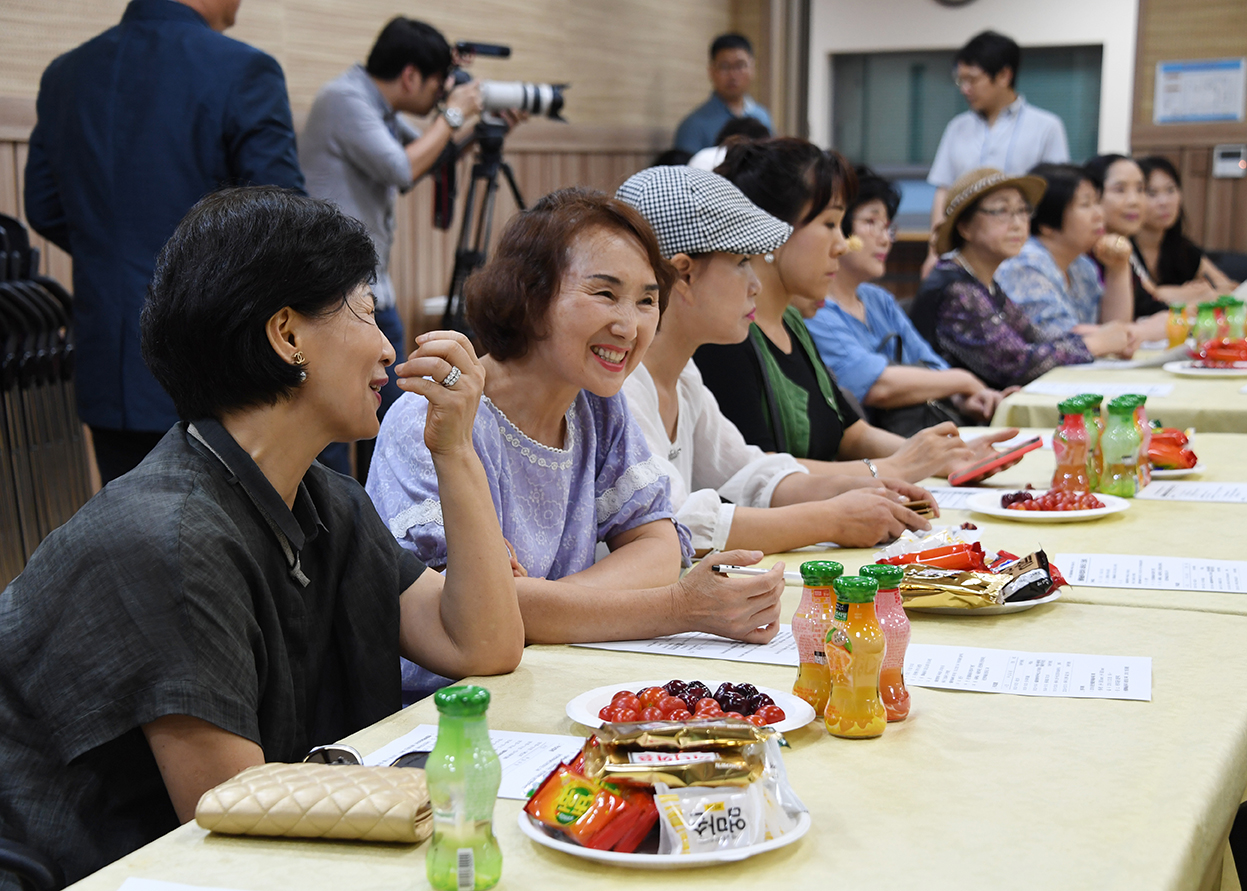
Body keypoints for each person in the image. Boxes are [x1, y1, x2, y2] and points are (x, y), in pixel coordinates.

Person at [0, 188, 523, 886]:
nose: (387, 345)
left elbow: (480, 644)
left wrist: (455, 450)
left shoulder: (323, 498)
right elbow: (235, 818)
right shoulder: (167, 538)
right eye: (365, 311)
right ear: (287, 335)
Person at [367, 187, 786, 646]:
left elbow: (658, 546)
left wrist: (541, 605)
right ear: (529, 296)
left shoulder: (598, 406)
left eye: (647, 301)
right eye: (605, 293)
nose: (629, 327)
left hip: (555, 672)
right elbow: (468, 616)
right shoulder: (433, 418)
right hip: (448, 706)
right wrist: (678, 608)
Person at [23, 0, 304, 484]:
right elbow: (282, 220)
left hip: (106, 358)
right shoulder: (243, 69)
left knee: (131, 530)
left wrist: (113, 255)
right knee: (222, 536)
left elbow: (45, 207)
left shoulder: (66, 74)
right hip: (215, 357)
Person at [616, 165, 936, 556]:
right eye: (742, 262)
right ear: (684, 275)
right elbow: (677, 523)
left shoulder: (683, 373)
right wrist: (834, 518)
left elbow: (746, 472)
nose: (756, 283)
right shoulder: (621, 388)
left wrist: (858, 488)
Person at [693, 138, 1018, 483]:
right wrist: (896, 468)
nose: (841, 245)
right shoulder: (727, 334)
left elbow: (851, 433)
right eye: (831, 224)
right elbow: (758, 472)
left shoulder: (791, 321)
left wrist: (944, 458)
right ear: (774, 230)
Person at [300, 17, 490, 477]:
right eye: (436, 84)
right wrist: (455, 114)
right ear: (410, 76)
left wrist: (482, 125)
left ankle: (376, 518)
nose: (438, 97)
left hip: (369, 288)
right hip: (335, 295)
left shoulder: (375, 108)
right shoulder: (343, 100)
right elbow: (402, 169)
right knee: (345, 422)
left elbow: (432, 154)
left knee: (383, 416)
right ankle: (332, 532)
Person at [807, 165, 1011, 430]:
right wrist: (964, 382)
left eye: (888, 228)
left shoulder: (879, 300)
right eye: (870, 222)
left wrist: (963, 400)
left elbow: (931, 364)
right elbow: (876, 386)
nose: (885, 240)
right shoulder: (813, 309)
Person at [911, 167, 1123, 389]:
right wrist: (1093, 345)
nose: (1017, 223)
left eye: (1022, 210)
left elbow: (1035, 337)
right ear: (964, 226)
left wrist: (1097, 340)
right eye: (1002, 211)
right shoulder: (957, 289)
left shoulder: (985, 282)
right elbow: (1014, 363)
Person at [924, 31, 1070, 276]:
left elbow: (1055, 197)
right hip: (964, 257)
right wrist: (934, 253)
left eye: (972, 80)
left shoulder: (1046, 126)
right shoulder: (957, 127)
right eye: (961, 81)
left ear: (1004, 75)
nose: (965, 89)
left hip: (1023, 256)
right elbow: (944, 191)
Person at [996, 163, 1139, 352]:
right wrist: (1143, 330)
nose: (1099, 214)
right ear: (1047, 223)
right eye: (1085, 205)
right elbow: (1059, 337)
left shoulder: (1081, 265)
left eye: (1097, 202)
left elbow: (1112, 328)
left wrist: (1118, 268)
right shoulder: (1025, 264)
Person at [1082, 154, 1168, 340]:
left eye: (1141, 189)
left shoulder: (1124, 245)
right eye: (1120, 190)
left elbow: (1151, 306)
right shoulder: (1082, 255)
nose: (1134, 201)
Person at [1133, 155, 1239, 304]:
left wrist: (1205, 292)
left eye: (1170, 190)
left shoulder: (1181, 247)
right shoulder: (1122, 246)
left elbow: (1229, 288)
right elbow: (1147, 296)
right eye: (1152, 193)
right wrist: (1187, 293)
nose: (1164, 202)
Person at [673, 33, 773, 155]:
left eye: (740, 65)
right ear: (711, 71)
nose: (733, 75)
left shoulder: (763, 117)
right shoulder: (694, 125)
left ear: (752, 68)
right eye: (725, 66)